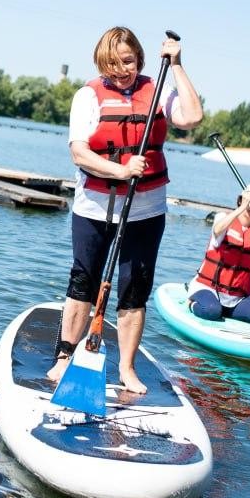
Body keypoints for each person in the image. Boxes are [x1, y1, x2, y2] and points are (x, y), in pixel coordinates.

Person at [47, 27, 203, 394]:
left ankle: (127, 369)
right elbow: (79, 152)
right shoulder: (88, 95)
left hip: (146, 211)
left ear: (141, 58)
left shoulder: (159, 87)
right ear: (102, 63)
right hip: (94, 207)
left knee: (135, 290)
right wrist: (119, 170)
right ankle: (65, 356)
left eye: (129, 61)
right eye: (113, 64)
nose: (122, 70)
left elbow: (192, 117)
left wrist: (178, 65)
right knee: (83, 281)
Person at [188, 183, 250, 327]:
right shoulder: (223, 218)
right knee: (211, 310)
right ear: (241, 200)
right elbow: (217, 230)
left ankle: (224, 311)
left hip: (236, 299)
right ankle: (192, 303)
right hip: (208, 288)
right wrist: (241, 208)